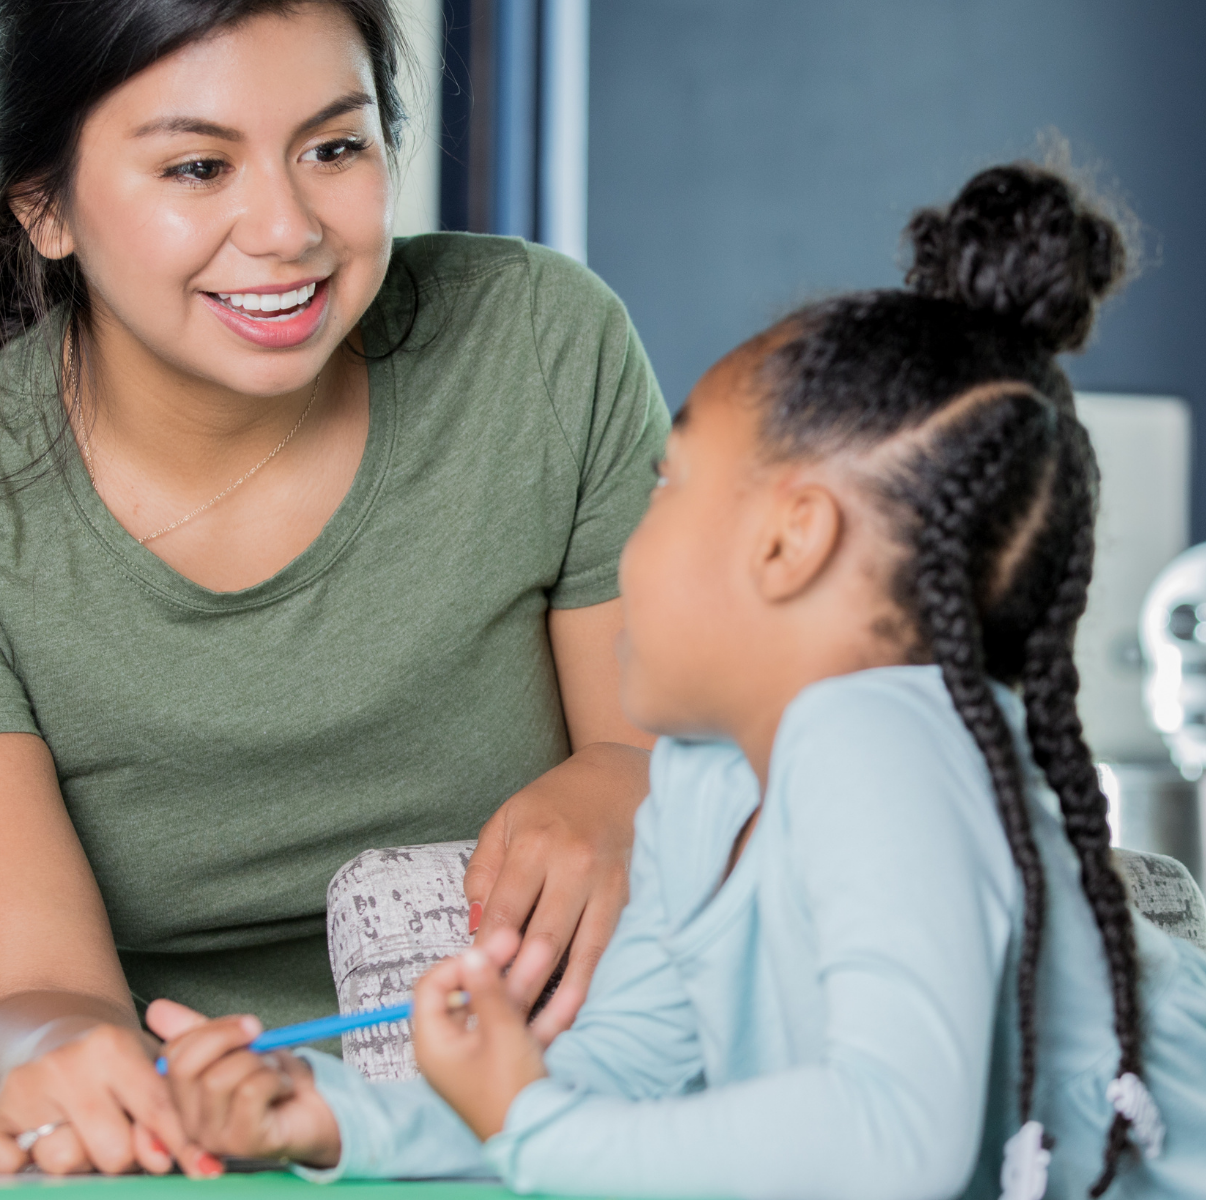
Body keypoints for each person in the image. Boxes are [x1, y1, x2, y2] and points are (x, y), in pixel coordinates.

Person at [153, 161, 1206, 1198]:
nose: (627, 544)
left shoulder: (886, 742)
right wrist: (341, 1113)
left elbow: (896, 1141)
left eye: (669, 483)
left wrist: (532, 1122)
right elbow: (618, 1086)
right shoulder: (705, 786)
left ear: (791, 542)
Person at [0, 0, 667, 1175]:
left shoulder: (541, 346)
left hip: (561, 1138)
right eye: (198, 166)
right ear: (42, 206)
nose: (286, 227)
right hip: (192, 1164)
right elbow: (32, 994)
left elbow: (670, 759)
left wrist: (625, 784)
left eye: (336, 147)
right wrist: (64, 1055)